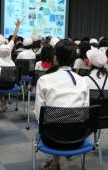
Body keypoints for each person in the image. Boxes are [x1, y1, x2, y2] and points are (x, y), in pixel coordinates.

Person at [35, 39, 89, 170]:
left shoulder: (44, 80)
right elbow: (85, 114)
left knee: (53, 122)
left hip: (51, 138)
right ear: (74, 59)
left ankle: (55, 162)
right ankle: (55, 162)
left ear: (55, 58)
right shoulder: (83, 81)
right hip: (78, 138)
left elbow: (39, 116)